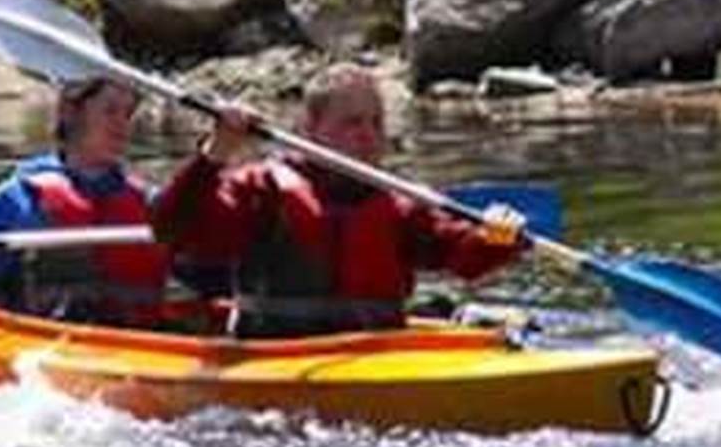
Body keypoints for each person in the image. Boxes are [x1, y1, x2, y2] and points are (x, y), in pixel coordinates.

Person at [151, 64, 527, 337]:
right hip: (280, 354)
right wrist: (216, 152)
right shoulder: (262, 188)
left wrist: (498, 236)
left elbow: (462, 258)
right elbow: (172, 227)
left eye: (376, 123)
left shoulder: (399, 203)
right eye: (352, 123)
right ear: (310, 131)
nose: (368, 135)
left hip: (378, 356)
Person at [0, 78, 169, 325]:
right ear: (70, 113)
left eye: (128, 114)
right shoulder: (19, 199)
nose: (123, 125)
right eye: (110, 111)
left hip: (141, 344)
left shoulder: (151, 202)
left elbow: (201, 272)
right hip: (44, 346)